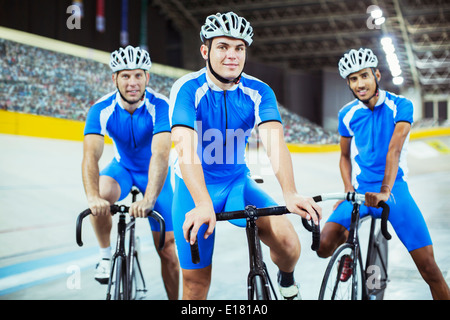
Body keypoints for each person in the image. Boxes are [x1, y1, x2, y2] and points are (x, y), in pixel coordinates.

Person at [169, 12, 321, 300]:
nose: (232, 55)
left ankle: (286, 283)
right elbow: (184, 146)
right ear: (205, 51)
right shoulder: (187, 88)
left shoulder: (259, 91)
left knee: (289, 243)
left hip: (237, 182)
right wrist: (202, 203)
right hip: (195, 189)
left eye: (239, 48)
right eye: (223, 47)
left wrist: (290, 193)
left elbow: (275, 142)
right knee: (196, 285)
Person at [317, 47, 450, 299]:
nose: (360, 83)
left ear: (376, 74)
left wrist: (385, 191)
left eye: (364, 76)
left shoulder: (401, 105)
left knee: (430, 269)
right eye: (353, 79)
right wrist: (348, 190)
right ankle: (348, 251)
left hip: (394, 190)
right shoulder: (347, 114)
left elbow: (394, 151)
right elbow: (344, 157)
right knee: (323, 246)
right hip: (360, 191)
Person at [81, 45, 179, 299]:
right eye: (125, 75)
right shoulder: (101, 108)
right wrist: (93, 198)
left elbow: (160, 155)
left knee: (167, 250)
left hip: (155, 175)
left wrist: (148, 200)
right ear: (115, 79)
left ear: (148, 77)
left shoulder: (161, 106)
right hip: (122, 168)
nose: (132, 82)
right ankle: (104, 256)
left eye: (138, 75)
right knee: (100, 195)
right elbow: (91, 156)